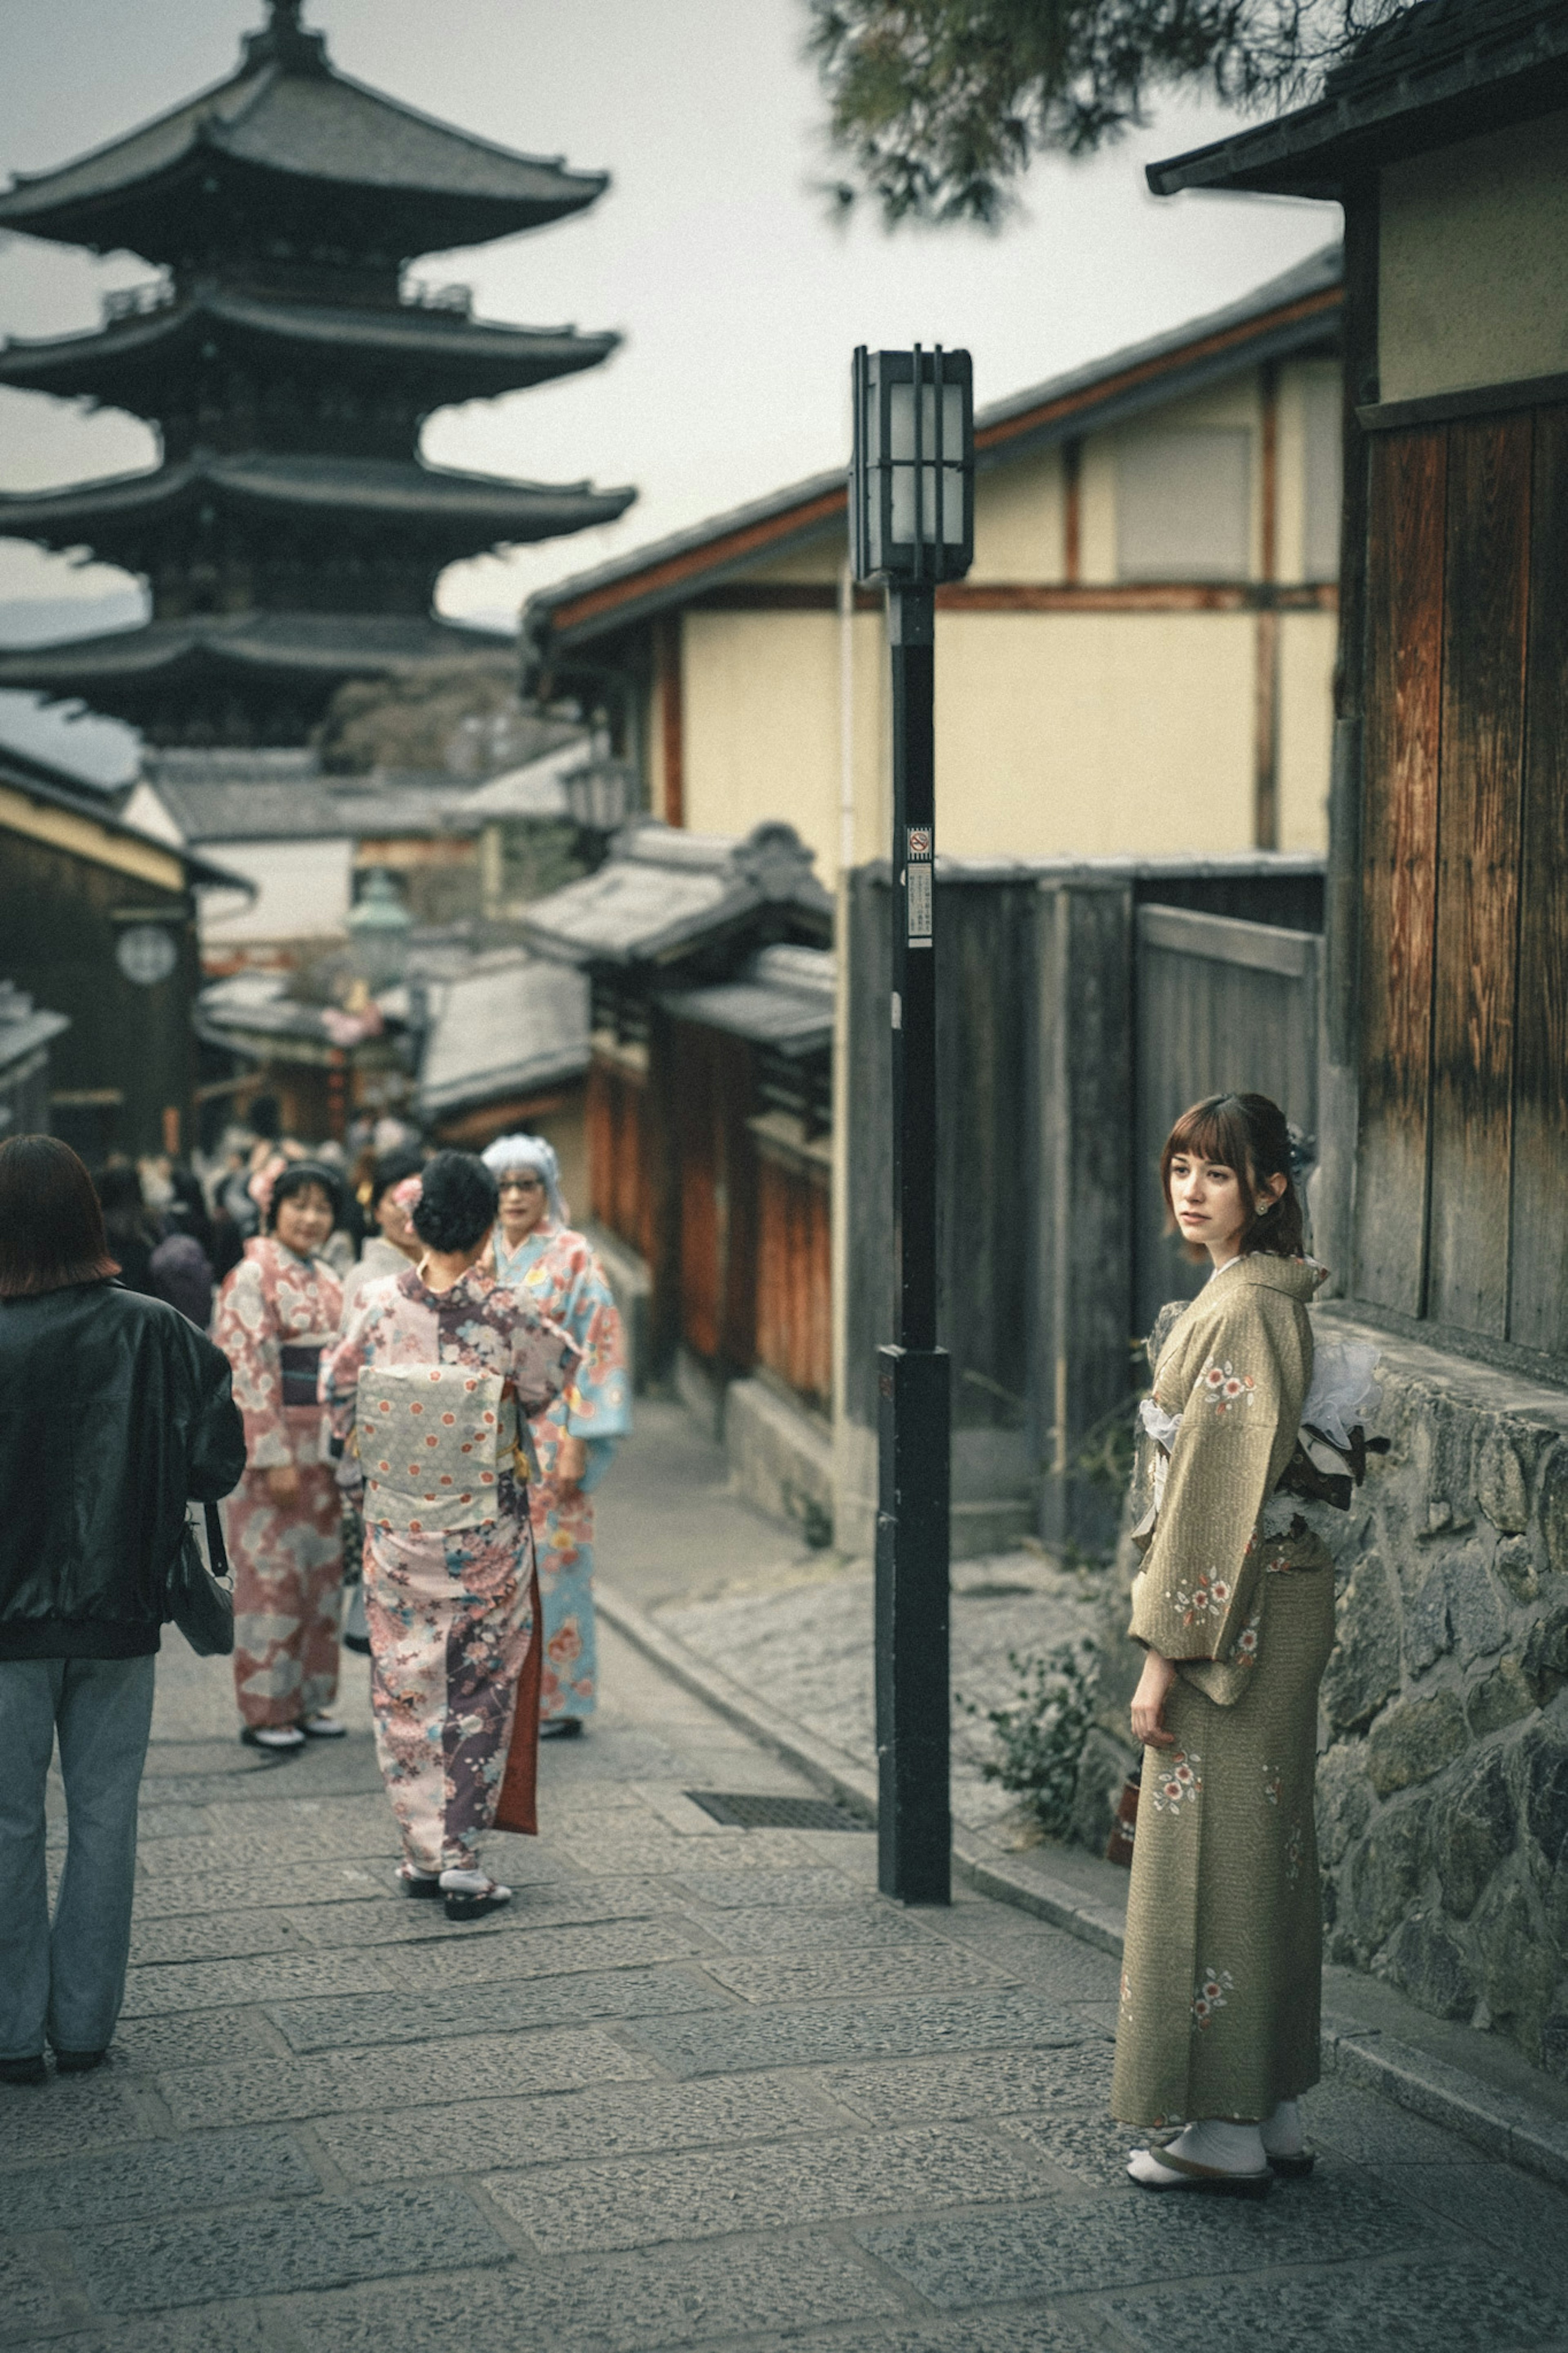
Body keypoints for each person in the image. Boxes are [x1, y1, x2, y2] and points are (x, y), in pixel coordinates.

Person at [1113, 1091, 1349, 2194]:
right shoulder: (1257, 1294)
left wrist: (1164, 1653)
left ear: (1270, 1188)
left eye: (1218, 1172)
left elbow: (1214, 1493)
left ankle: (1220, 2124)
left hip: (1233, 1614)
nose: (1191, 1190)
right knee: (1269, 1855)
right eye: (1180, 1168)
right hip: (1269, 1601)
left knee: (1209, 1857)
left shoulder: (1242, 1307)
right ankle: (1277, 2106)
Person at [0, 1135, 245, 2083]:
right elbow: (219, 1459)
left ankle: (13, 2036)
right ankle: (87, 2025)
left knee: (9, 1825)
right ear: (89, 1219)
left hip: (4, 1632)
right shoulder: (151, 1328)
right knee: (106, 1819)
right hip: (118, 1614)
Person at [322, 1151, 577, 1921]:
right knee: (478, 1686)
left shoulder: (375, 1304)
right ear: (487, 1219)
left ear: (424, 1216)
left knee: (404, 1684)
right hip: (482, 1534)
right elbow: (548, 1381)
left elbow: (338, 1396)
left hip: (399, 1528)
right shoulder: (506, 1312)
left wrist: (392, 1445)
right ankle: (462, 1857)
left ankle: (421, 1851)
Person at [482, 1133, 630, 1737]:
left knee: (557, 1563)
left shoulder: (573, 1256)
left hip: (553, 1429)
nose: (515, 1196)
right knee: (491, 1568)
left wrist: (579, 1438)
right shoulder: (478, 1253)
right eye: (505, 1185)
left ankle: (560, 1699)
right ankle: (500, 1693)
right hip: (488, 1432)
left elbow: (598, 1344)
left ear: (548, 1190)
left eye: (528, 1184)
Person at [213, 1160, 345, 1754]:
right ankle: (267, 1708)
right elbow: (246, 1369)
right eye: (300, 1205)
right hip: (276, 1450)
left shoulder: (328, 1277)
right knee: (272, 1580)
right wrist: (271, 1454)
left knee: (321, 1578)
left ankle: (312, 1698)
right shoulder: (251, 1275)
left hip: (326, 1447)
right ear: (275, 1209)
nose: (311, 1218)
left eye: (322, 1208)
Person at [339, 1150, 424, 1318]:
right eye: (397, 1203)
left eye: (419, 1201)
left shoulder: (444, 1269)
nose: (409, 1213)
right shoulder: (363, 1277)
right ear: (377, 1211)